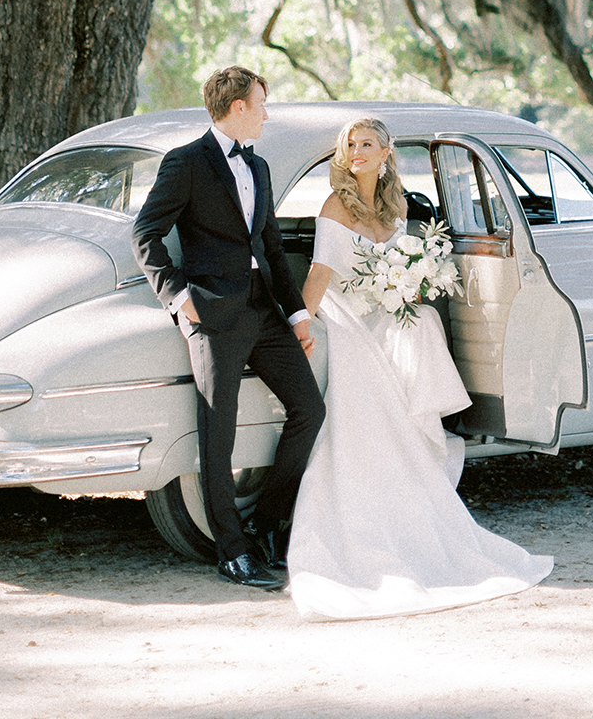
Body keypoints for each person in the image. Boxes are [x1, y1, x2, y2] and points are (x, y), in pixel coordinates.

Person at [286, 116, 554, 620]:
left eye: (367, 143)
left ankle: (426, 427)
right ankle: (415, 438)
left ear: (386, 152)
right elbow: (322, 271)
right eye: (350, 145)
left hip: (388, 307)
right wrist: (300, 324)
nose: (357, 151)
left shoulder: (397, 206)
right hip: (346, 310)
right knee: (407, 332)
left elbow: (402, 266)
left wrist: (409, 284)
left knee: (424, 319)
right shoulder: (335, 204)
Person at [132, 66, 325, 590]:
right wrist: (177, 296)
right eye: (262, 103)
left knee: (310, 409)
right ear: (238, 107)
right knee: (218, 434)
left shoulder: (258, 167)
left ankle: (266, 524)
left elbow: (270, 247)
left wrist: (296, 313)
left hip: (265, 312)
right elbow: (146, 233)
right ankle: (232, 551)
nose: (267, 112)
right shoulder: (186, 163)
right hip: (213, 315)